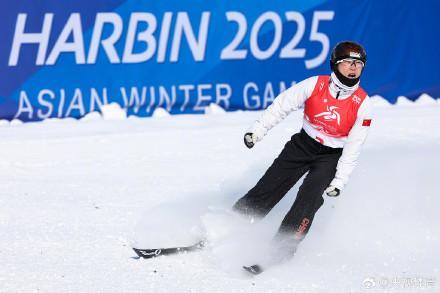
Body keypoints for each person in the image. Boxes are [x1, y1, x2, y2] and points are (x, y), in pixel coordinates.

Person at [233, 41, 373, 270]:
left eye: (358, 64)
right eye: (347, 62)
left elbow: (354, 146)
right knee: (269, 186)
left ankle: (282, 250)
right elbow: (281, 106)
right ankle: (230, 226)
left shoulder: (363, 104)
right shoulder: (314, 84)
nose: (353, 68)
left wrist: (340, 180)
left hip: (331, 156)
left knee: (308, 199)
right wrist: (257, 131)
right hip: (303, 145)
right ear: (334, 65)